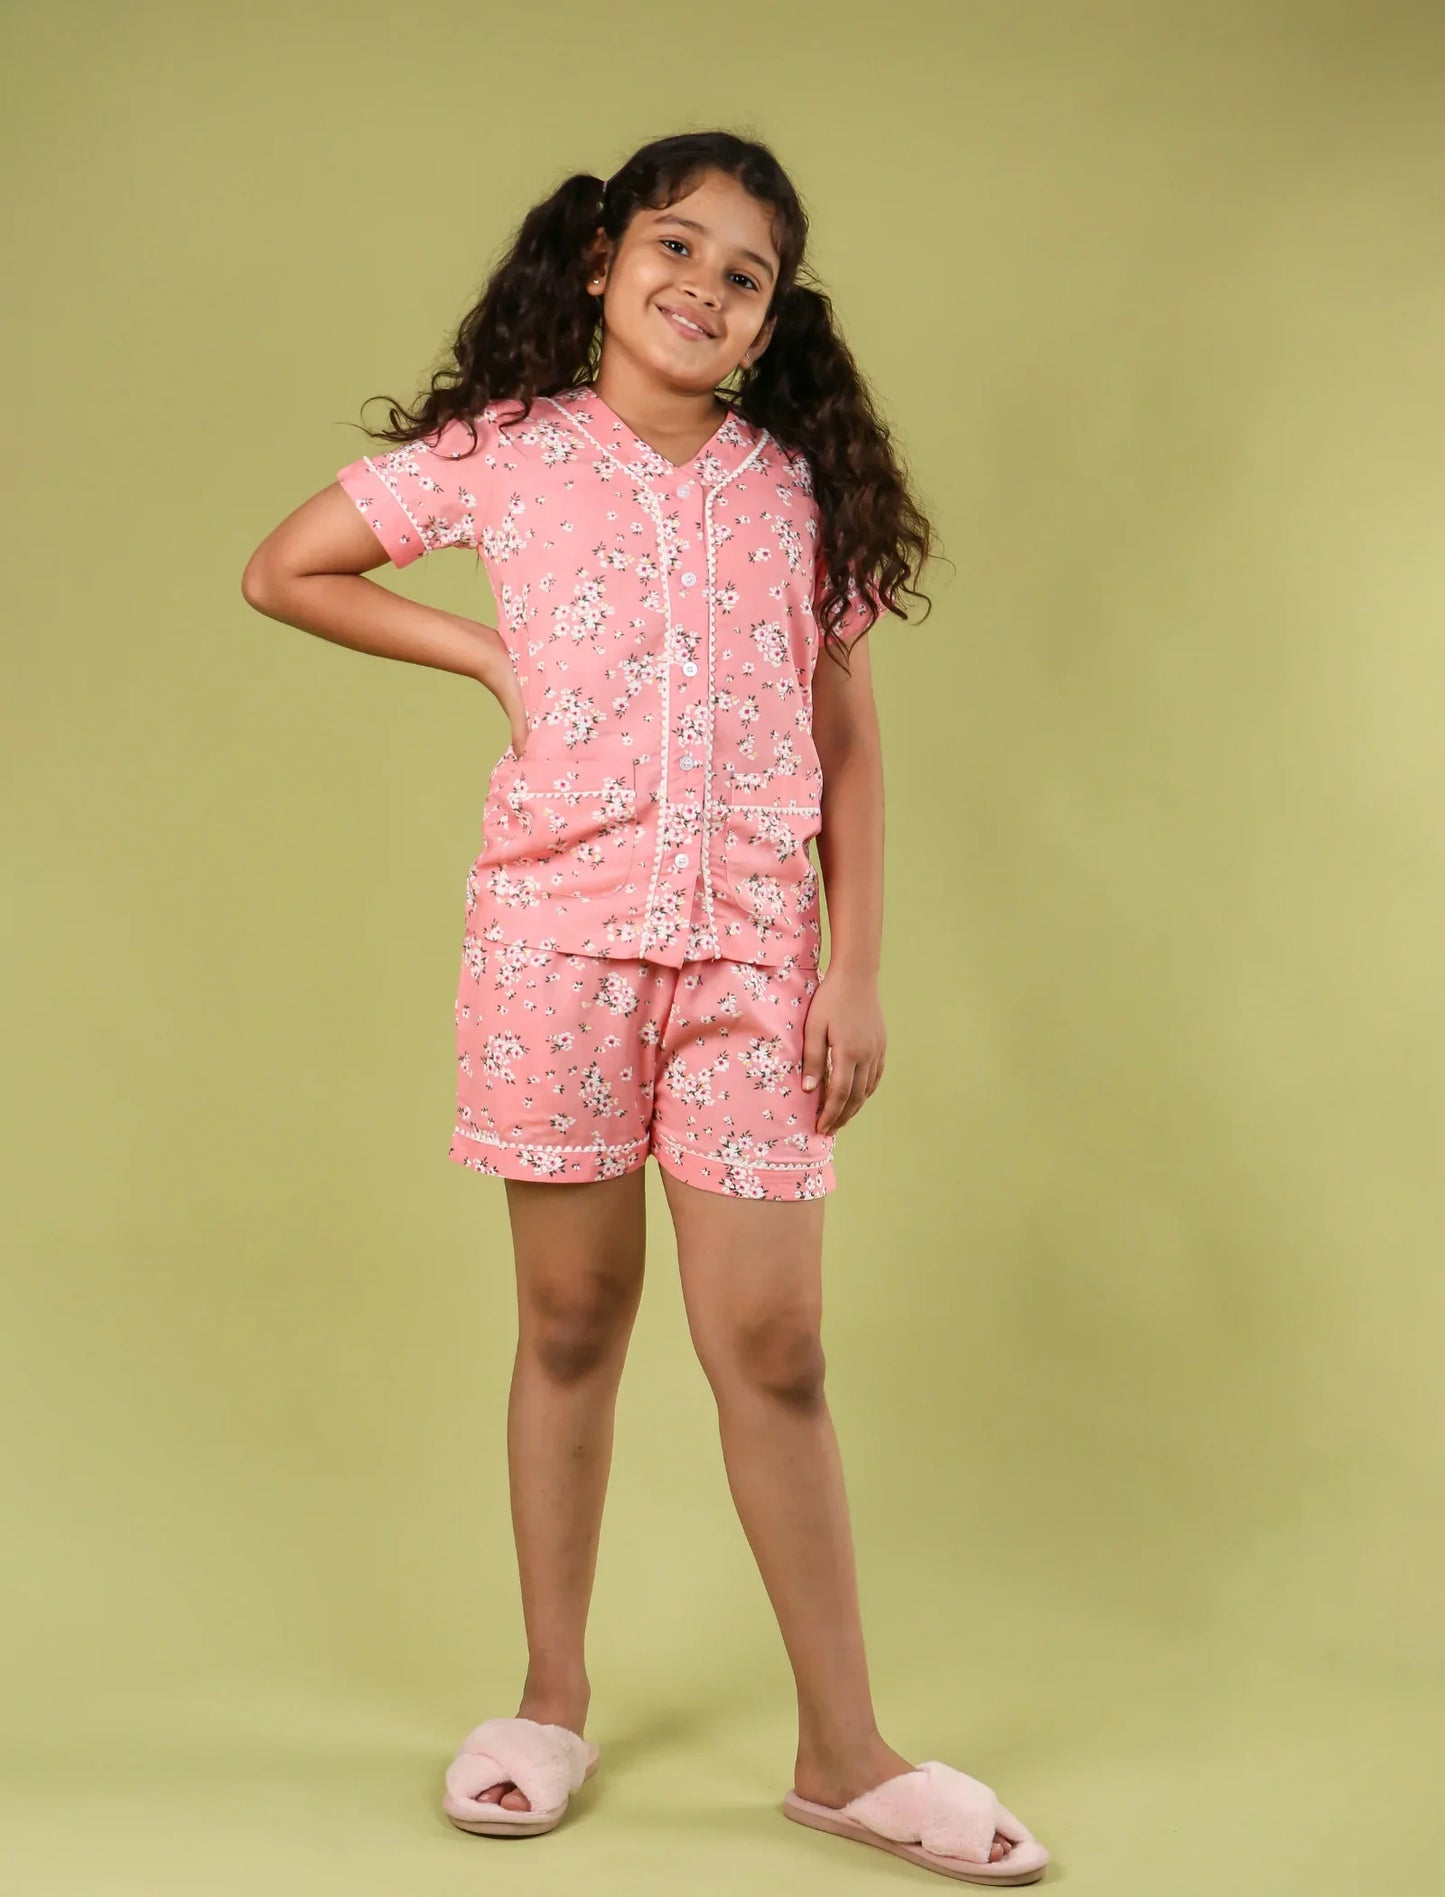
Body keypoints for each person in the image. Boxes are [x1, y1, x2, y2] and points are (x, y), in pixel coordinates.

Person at [241, 129, 1049, 1885]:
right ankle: (548, 1702)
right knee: (568, 1322)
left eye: (744, 273)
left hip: (753, 959)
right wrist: (482, 651)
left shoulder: (792, 489)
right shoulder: (506, 453)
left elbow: (846, 741)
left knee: (775, 1345)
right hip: (555, 944)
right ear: (605, 258)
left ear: (769, 319)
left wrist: (852, 965)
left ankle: (844, 1753)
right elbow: (285, 565)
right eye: (676, 246)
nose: (704, 286)